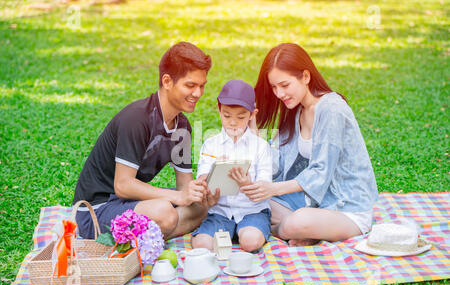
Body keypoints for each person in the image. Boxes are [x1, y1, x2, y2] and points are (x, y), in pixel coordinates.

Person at [73, 42, 214, 240]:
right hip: (96, 210)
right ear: (166, 81)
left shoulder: (182, 127)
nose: (198, 93)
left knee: (200, 207)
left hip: (130, 202)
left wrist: (197, 192)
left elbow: (184, 187)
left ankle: (147, 238)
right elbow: (122, 185)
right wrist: (178, 198)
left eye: (201, 86)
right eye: (190, 85)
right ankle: (152, 235)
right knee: (164, 212)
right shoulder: (137, 119)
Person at [242, 43, 378, 246]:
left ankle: (284, 231)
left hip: (347, 208)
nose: (279, 94)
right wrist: (252, 131)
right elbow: (275, 159)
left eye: (285, 85)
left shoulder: (332, 109)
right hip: (311, 204)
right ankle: (289, 231)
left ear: (305, 77)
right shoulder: (295, 109)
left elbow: (320, 173)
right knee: (243, 200)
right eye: (274, 87)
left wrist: (273, 189)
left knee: (295, 223)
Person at [191, 80, 273, 252]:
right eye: (227, 116)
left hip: (253, 211)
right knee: (201, 245)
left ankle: (246, 231)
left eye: (241, 117)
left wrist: (247, 185)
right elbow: (202, 177)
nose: (233, 122)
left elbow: (266, 187)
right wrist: (207, 184)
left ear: (252, 114)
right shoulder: (210, 145)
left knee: (250, 242)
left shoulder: (261, 146)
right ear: (219, 109)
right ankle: (228, 232)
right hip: (220, 212)